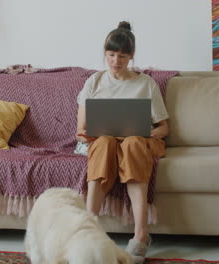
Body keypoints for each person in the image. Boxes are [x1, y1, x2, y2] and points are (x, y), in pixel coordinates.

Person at [75, 21, 169, 264]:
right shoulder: (94, 82)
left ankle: (141, 235)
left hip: (138, 141)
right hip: (104, 141)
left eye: (122, 56)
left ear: (131, 56)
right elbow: (81, 130)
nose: (116, 61)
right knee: (105, 142)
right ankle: (88, 232)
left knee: (133, 143)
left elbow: (164, 128)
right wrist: (93, 134)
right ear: (105, 54)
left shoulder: (146, 84)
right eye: (111, 54)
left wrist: (147, 131)